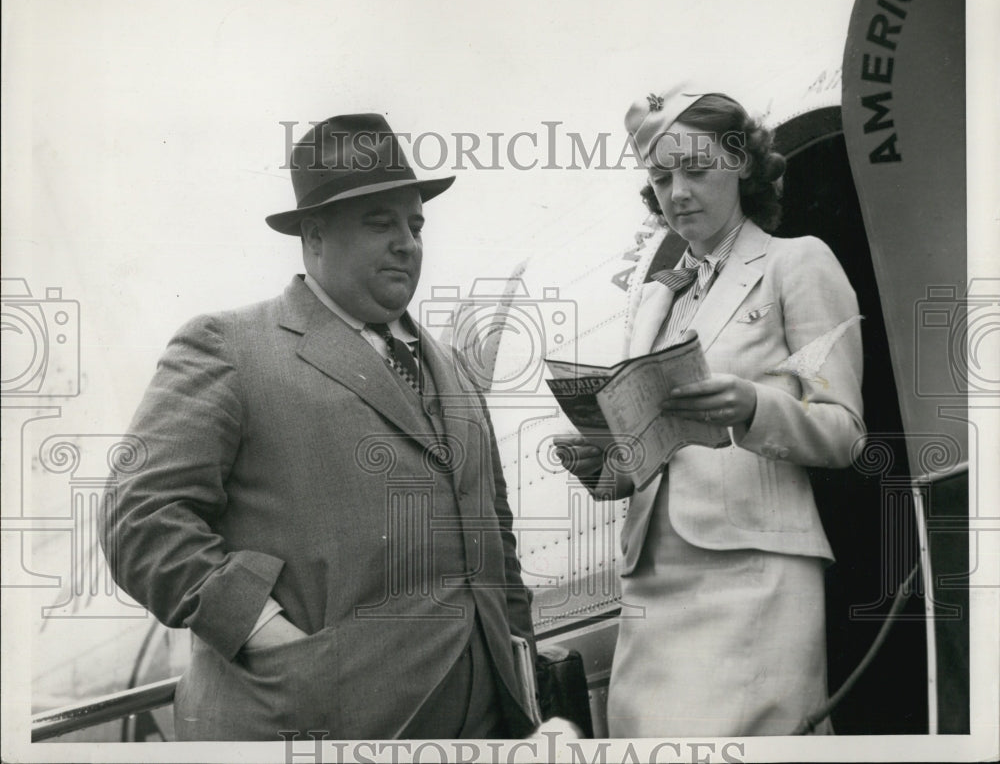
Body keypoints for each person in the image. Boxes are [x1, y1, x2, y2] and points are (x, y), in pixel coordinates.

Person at [99, 114, 539, 741]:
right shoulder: (227, 346)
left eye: (414, 226)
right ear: (314, 236)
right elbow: (138, 517)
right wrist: (261, 628)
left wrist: (521, 677)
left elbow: (497, 540)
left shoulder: (453, 370)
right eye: (380, 223)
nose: (407, 243)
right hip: (320, 729)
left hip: (486, 729)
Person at [554, 82, 866, 736]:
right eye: (661, 178)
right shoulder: (655, 301)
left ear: (742, 161)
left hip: (754, 574)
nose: (678, 193)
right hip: (653, 582)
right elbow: (655, 447)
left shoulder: (796, 264)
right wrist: (605, 464)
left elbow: (845, 432)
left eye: (696, 169)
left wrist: (754, 407)